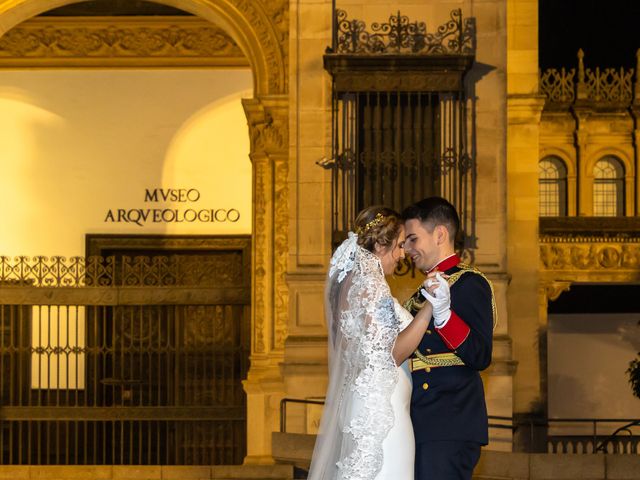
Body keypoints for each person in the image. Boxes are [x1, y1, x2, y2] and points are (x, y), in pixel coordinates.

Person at [307, 206, 435, 480]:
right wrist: (429, 309)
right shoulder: (371, 285)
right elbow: (394, 353)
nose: (402, 255)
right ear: (379, 244)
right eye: (399, 245)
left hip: (364, 402)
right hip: (382, 412)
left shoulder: (350, 285)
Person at [402, 197, 495, 480]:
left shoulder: (469, 283)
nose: (407, 249)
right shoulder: (418, 295)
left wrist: (444, 317)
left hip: (449, 421)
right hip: (422, 421)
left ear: (440, 234)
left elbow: (481, 355)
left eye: (413, 239)